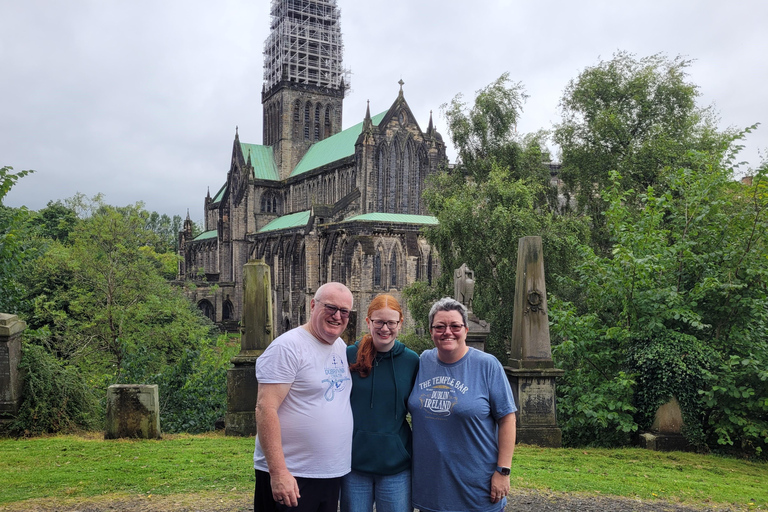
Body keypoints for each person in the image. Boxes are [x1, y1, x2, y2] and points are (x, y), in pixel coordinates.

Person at [408, 297, 517, 512]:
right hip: (431, 490)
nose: (447, 331)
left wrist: (503, 471)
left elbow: (507, 418)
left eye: (455, 326)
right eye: (440, 326)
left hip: (477, 489)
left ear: (465, 329)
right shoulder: (423, 362)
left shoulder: (487, 365)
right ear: (431, 331)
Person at [253, 282, 354, 512]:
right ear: (312, 305)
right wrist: (278, 473)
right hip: (293, 475)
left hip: (329, 474)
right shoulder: (287, 347)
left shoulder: (339, 345)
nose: (337, 316)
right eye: (330, 308)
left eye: (344, 311)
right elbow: (264, 408)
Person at [341, 294, 419, 512]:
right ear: (368, 322)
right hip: (354, 464)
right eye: (379, 322)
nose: (385, 328)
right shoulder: (349, 355)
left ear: (400, 323)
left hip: (396, 465)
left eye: (391, 322)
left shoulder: (412, 361)